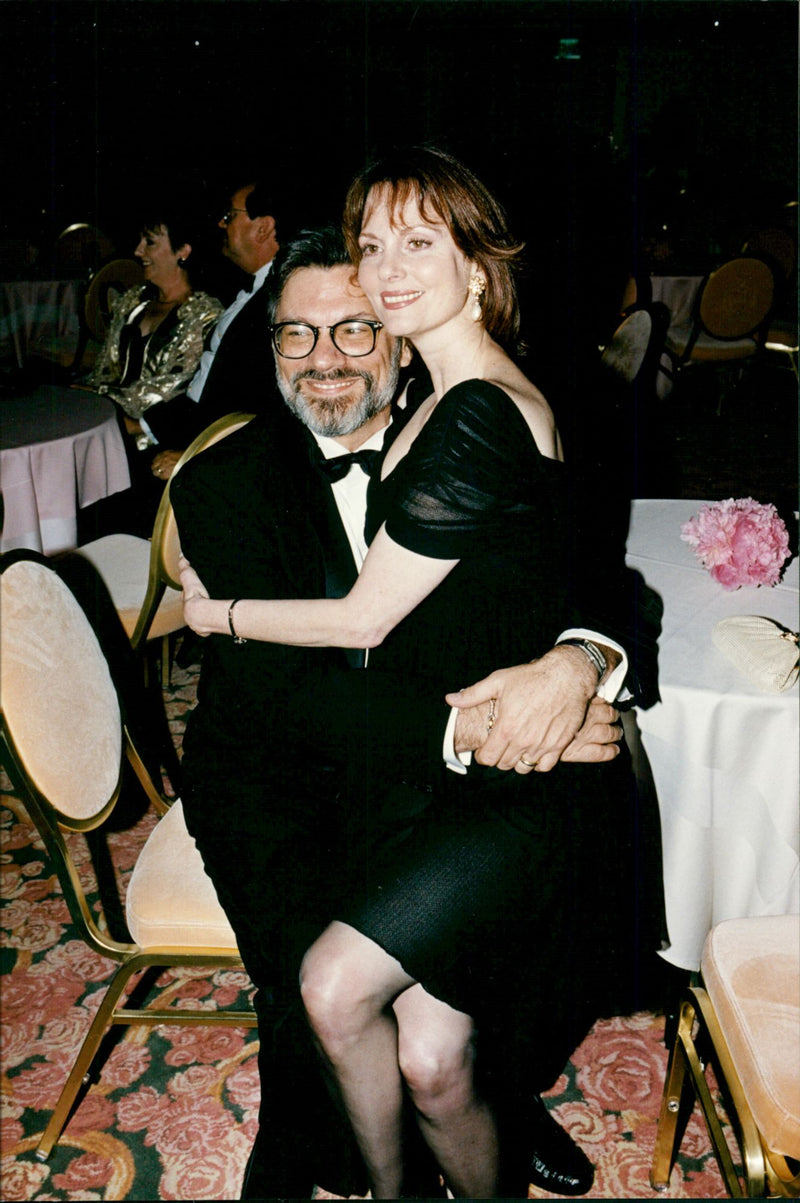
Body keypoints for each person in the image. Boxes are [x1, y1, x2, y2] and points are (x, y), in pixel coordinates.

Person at [175, 206, 659, 1197]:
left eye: (352, 329)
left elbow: (600, 579)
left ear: (397, 336)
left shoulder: (459, 423)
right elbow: (285, 699)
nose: (323, 361)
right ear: (267, 346)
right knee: (321, 986)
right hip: (288, 787)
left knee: (486, 947)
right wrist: (470, 730)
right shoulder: (222, 485)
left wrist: (574, 665)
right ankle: (322, 1132)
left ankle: (493, 1089)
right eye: (295, 335)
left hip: (435, 789)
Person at [82, 206, 223, 535]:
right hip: (107, 426)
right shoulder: (134, 300)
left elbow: (172, 385)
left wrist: (104, 402)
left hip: (150, 438)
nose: (137, 251)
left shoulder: (203, 312)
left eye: (149, 243)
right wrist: (91, 395)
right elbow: (106, 367)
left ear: (183, 252)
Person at [132, 181, 281, 486]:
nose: (220, 224)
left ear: (263, 229)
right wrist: (141, 425)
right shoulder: (252, 294)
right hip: (193, 430)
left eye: (229, 216)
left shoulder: (281, 303)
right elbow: (207, 392)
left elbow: (272, 413)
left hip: (222, 460)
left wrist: (197, 453)